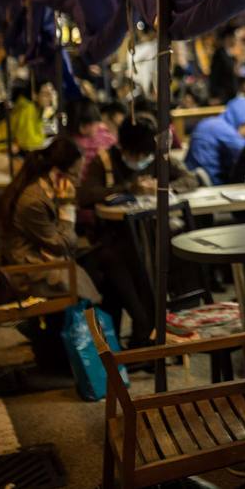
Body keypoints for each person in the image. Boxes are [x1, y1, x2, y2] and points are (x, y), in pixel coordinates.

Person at [79, 120, 198, 346]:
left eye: (145, 154)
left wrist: (164, 187)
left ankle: (150, 330)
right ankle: (146, 329)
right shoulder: (104, 161)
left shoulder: (156, 157)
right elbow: (85, 195)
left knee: (159, 258)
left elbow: (189, 179)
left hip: (150, 235)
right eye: (135, 155)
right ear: (122, 148)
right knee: (133, 264)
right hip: (113, 238)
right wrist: (127, 188)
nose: (141, 160)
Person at [0, 136, 88, 298]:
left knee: (105, 262)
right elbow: (60, 245)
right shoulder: (34, 201)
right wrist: (67, 207)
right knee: (100, 270)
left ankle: (95, 320)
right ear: (57, 173)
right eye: (75, 174)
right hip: (30, 272)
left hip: (42, 258)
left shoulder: (46, 188)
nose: (79, 181)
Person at [184, 96, 245, 184]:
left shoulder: (212, 122)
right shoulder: (224, 129)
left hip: (193, 176)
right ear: (240, 119)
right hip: (211, 180)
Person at [0, 81, 46, 173]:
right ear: (35, 94)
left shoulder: (34, 109)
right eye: (45, 94)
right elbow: (29, 142)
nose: (50, 98)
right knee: (29, 170)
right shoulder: (27, 109)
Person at [71, 100, 117, 181]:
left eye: (89, 124)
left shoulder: (105, 136)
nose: (82, 129)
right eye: (81, 124)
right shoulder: (72, 143)